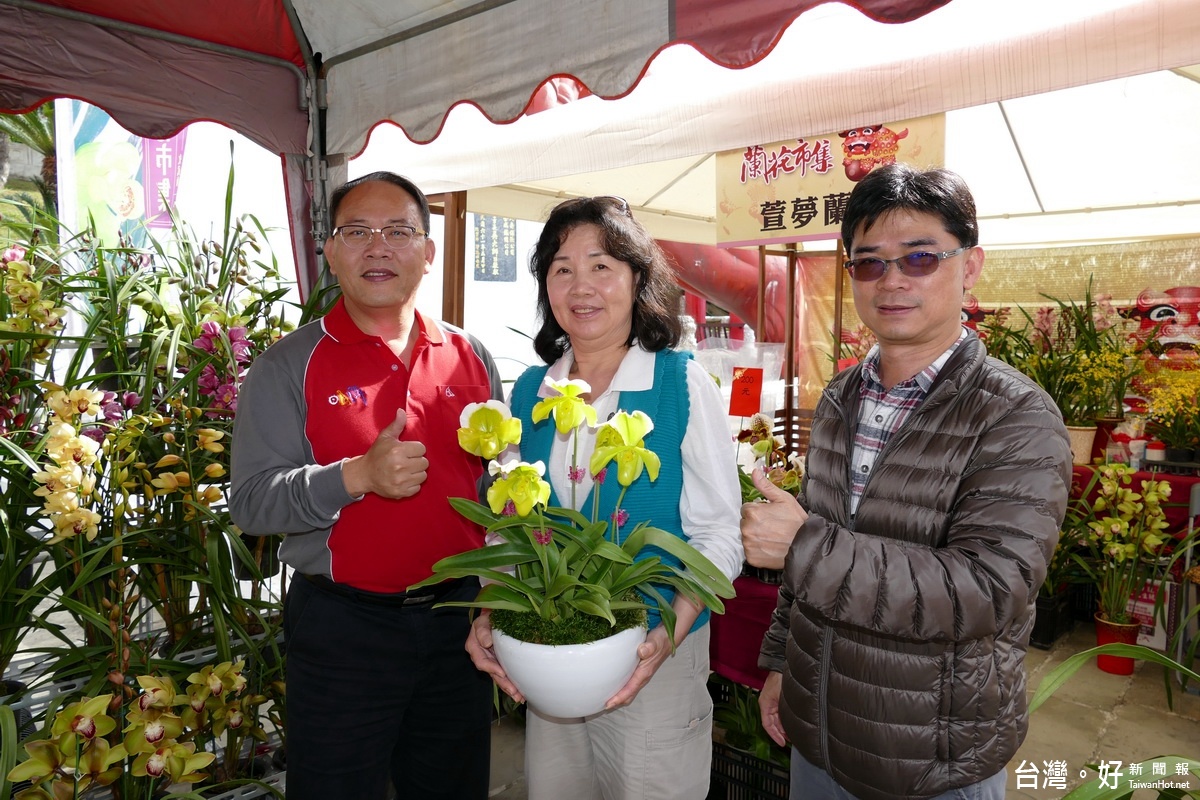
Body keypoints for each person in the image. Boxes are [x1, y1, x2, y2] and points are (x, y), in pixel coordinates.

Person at [740, 164, 1073, 800]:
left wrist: (806, 545)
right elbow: (811, 547)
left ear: (969, 266)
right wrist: (784, 661)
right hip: (820, 735)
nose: (891, 281)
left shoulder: (1014, 415)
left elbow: (989, 589)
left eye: (919, 258)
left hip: (932, 754)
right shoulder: (842, 395)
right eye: (868, 263)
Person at [229, 171, 502, 800]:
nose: (377, 247)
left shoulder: (471, 356)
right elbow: (251, 503)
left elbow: (500, 490)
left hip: (457, 624)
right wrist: (358, 476)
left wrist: (497, 594)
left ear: (428, 252)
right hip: (342, 631)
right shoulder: (288, 364)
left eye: (399, 232)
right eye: (357, 232)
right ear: (329, 250)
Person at [464, 195, 744, 799]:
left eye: (602, 266)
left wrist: (672, 629)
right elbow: (509, 527)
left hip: (654, 654)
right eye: (561, 268)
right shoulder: (534, 391)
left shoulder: (680, 383)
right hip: (550, 649)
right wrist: (490, 608)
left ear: (637, 279)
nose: (581, 286)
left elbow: (720, 535)